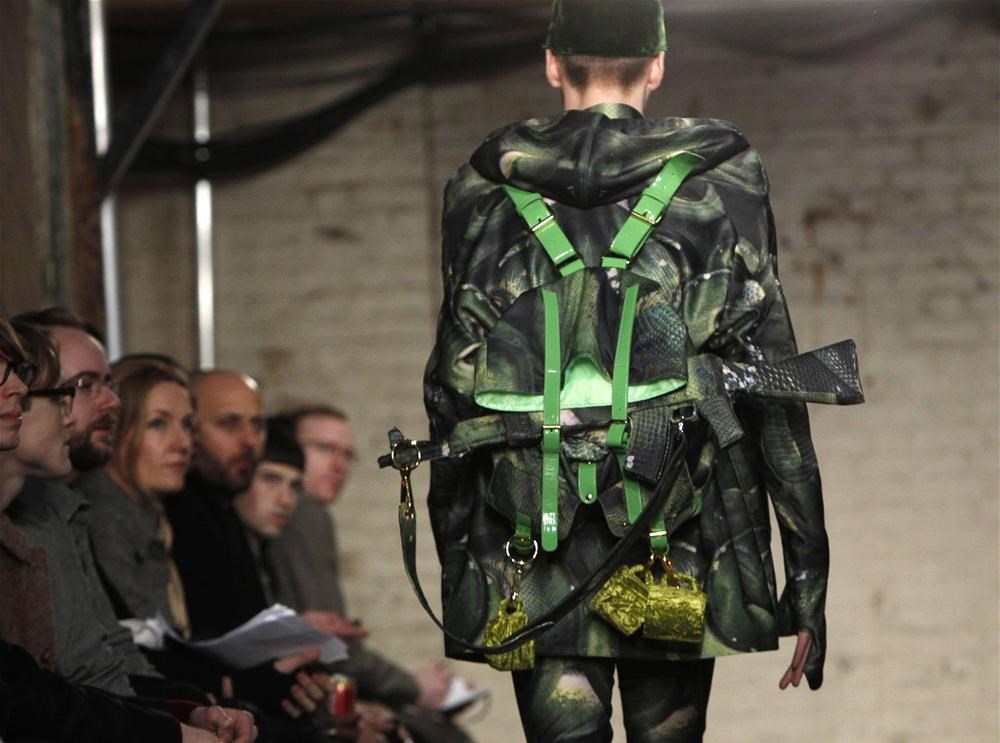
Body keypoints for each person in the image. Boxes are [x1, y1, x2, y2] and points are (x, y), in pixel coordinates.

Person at [421, 1, 845, 740]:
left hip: (530, 531)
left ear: (552, 64)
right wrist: (806, 574)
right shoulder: (723, 182)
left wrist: (460, 567)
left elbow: (452, 389)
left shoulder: (479, 191)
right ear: (657, 66)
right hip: (675, 526)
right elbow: (774, 381)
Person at [0, 317, 258, 743]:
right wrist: (179, 724)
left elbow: (102, 662)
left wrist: (187, 711)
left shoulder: (61, 509)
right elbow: (44, 692)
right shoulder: (63, 513)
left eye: (188, 424)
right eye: (78, 387)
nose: (107, 405)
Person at [268, 407, 455, 712]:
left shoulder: (306, 515)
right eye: (325, 448)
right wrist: (413, 686)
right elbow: (333, 646)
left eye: (347, 455)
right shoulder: (305, 514)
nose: (338, 464)